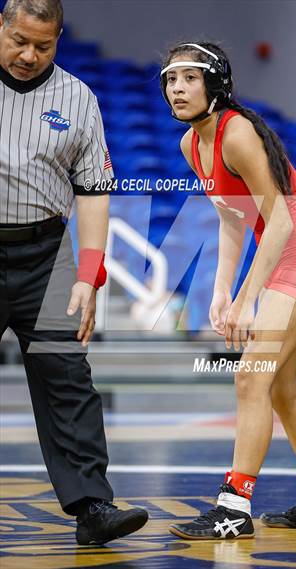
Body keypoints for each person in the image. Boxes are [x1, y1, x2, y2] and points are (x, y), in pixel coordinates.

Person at [160, 41, 296, 540]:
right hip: (288, 254)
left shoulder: (236, 133)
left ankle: (234, 508)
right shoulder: (191, 145)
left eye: (189, 78)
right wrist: (222, 292)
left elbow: (281, 222)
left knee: (251, 376)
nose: (177, 88)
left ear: (215, 84)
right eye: (171, 79)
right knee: (280, 388)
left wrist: (247, 299)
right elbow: (231, 218)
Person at [0, 0, 148, 545]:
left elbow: (93, 193)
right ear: (1, 24)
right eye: (19, 40)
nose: (29, 55)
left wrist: (89, 275)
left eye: (44, 45)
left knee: (70, 380)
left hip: (47, 252)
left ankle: (93, 508)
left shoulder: (77, 98)